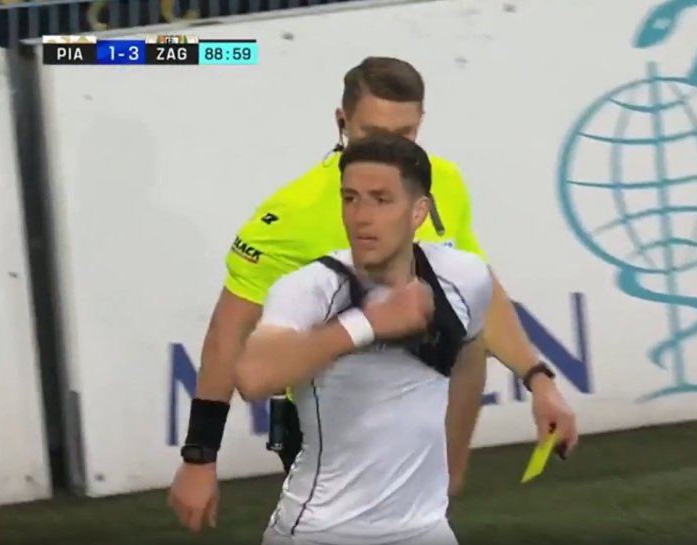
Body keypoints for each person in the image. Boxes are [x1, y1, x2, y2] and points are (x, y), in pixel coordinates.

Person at [167, 56, 578, 533]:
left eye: (405, 135)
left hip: (418, 435)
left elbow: (478, 291)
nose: (389, 152)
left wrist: (537, 379)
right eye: (373, 134)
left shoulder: (442, 183)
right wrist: (200, 455)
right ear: (341, 122)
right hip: (333, 435)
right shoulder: (290, 215)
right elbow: (228, 334)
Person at [235, 133, 564, 545]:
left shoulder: (463, 277)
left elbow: (469, 353)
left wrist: (538, 381)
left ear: (418, 212)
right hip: (320, 531)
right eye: (350, 198)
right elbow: (253, 377)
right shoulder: (312, 288)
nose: (361, 216)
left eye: (381, 200)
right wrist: (367, 324)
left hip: (426, 529)